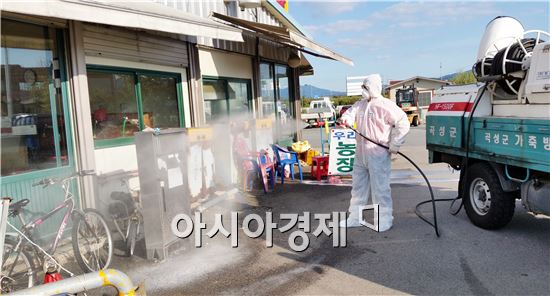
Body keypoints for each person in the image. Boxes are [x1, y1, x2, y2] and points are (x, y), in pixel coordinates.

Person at [339, 74, 410, 231]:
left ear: (374, 88)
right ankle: (355, 217)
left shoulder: (386, 105)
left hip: (378, 154)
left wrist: (395, 144)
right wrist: (346, 121)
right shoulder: (360, 105)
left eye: (366, 87)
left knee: (380, 188)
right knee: (358, 188)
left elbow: (403, 123)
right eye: (363, 87)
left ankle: (384, 219)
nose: (363, 90)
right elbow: (349, 114)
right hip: (360, 154)